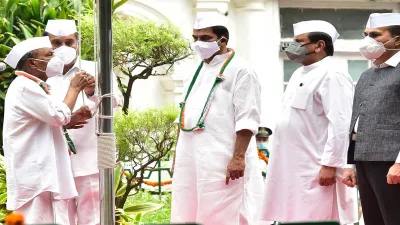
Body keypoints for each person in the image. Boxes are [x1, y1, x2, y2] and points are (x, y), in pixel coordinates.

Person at [260, 20, 358, 224]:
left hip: (316, 166)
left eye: (299, 41)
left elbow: (341, 123)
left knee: (318, 217)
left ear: (319, 45)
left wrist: (330, 164)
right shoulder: (298, 74)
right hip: (291, 166)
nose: (292, 46)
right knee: (292, 216)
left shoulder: (333, 74)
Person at [170, 14, 263, 225]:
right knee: (186, 208)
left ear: (223, 39)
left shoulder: (242, 70)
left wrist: (238, 158)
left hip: (223, 159)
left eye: (205, 38)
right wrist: (176, 155)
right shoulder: (195, 71)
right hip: (190, 157)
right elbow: (183, 114)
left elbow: (247, 119)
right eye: (195, 38)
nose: (198, 44)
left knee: (222, 211)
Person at [2, 36, 93, 224]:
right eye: (49, 54)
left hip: (43, 174)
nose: (56, 58)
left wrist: (70, 120)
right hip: (35, 175)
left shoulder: (35, 86)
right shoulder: (24, 87)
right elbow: (58, 115)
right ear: (33, 63)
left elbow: (45, 123)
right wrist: (74, 89)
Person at [43, 19, 124, 225]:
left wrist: (93, 91)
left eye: (69, 42)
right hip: (55, 159)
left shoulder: (96, 68)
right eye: (56, 43)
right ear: (48, 43)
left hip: (90, 158)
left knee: (94, 218)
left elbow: (116, 101)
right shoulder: (41, 72)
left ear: (78, 42)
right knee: (59, 218)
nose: (63, 48)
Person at [342, 13, 400, 225]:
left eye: (375, 34)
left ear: (398, 39)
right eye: (365, 35)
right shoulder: (368, 74)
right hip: (364, 158)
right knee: (373, 220)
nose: (368, 40)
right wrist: (351, 163)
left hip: (391, 160)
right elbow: (357, 121)